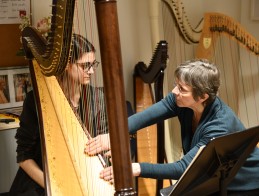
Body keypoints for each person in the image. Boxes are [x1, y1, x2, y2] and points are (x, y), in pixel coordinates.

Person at [85, 59, 259, 195]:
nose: (175, 91)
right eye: (177, 85)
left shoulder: (220, 125)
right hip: (211, 178)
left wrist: (135, 168)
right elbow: (145, 117)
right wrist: (115, 136)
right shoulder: (181, 101)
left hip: (243, 182)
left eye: (182, 89)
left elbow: (185, 168)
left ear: (202, 97)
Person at [9, 34, 103, 196]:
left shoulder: (97, 98)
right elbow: (24, 156)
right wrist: (55, 188)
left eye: (93, 64)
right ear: (66, 65)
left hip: (86, 174)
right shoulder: (36, 100)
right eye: (85, 65)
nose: (92, 71)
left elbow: (106, 142)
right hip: (41, 179)